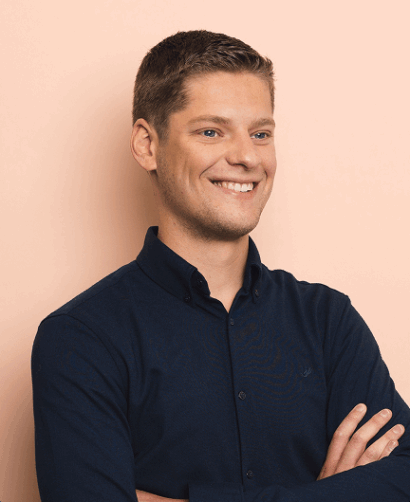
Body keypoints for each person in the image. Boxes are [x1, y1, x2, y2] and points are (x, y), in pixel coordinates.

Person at [31, 30, 410, 502]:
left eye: (261, 134)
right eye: (211, 131)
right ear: (147, 145)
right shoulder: (81, 339)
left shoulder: (328, 320)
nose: (247, 157)